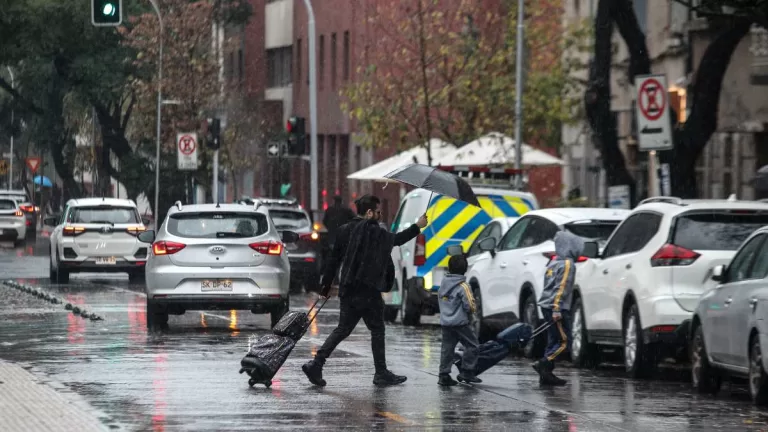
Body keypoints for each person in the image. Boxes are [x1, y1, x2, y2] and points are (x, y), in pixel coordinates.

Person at [303, 194, 428, 387]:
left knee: (342, 329)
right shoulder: (373, 231)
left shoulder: (345, 230)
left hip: (348, 287)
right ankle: (381, 373)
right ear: (369, 212)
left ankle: (316, 363)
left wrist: (325, 286)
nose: (380, 215)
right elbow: (397, 240)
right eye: (378, 212)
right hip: (367, 290)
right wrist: (417, 226)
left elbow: (333, 261)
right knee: (377, 329)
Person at [532, 231, 584, 386]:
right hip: (557, 307)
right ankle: (544, 363)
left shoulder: (554, 262)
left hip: (547, 305)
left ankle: (546, 375)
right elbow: (562, 287)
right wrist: (557, 308)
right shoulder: (567, 264)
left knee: (553, 339)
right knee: (565, 341)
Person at [437, 254, 482, 386]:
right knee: (472, 345)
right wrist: (472, 312)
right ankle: (467, 371)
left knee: (447, 349)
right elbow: (470, 305)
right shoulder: (464, 286)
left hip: (446, 323)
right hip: (461, 323)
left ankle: (443, 375)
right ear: (465, 269)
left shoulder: (443, 285)